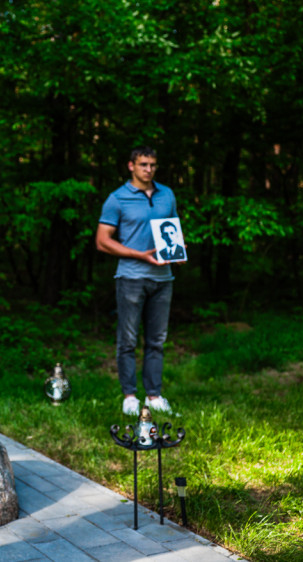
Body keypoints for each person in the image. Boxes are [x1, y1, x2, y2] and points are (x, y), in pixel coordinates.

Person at [96, 145, 178, 417]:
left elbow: (172, 230)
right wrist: (139, 255)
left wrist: (177, 250)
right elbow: (102, 241)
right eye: (143, 164)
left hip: (163, 278)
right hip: (131, 277)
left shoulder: (167, 194)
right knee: (128, 340)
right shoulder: (117, 198)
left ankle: (154, 395)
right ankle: (130, 396)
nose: (149, 169)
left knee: (157, 340)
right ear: (131, 165)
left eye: (153, 165)